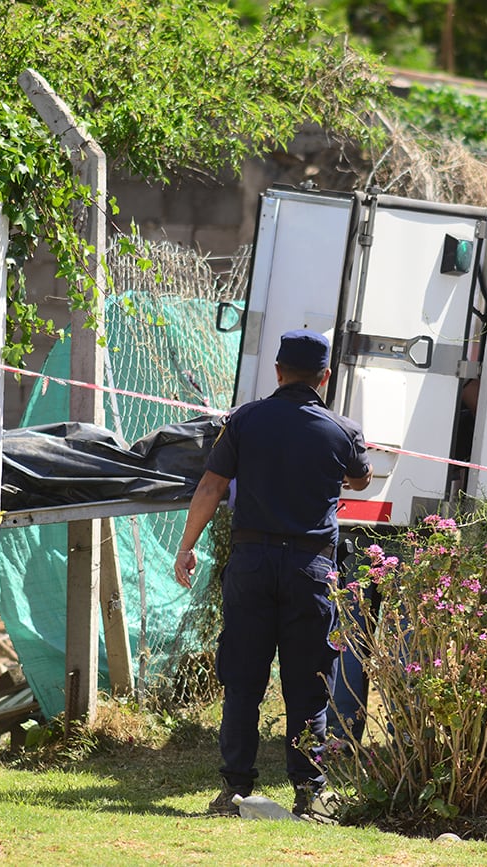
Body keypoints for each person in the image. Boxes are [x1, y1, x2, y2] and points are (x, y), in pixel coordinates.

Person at [174, 329, 373, 817]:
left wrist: (187, 545)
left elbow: (211, 485)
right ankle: (310, 792)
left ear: (278, 372)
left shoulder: (244, 421)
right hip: (310, 568)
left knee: (243, 679)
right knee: (308, 682)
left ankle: (234, 790)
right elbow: (362, 479)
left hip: (252, 564)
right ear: (325, 377)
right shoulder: (342, 430)